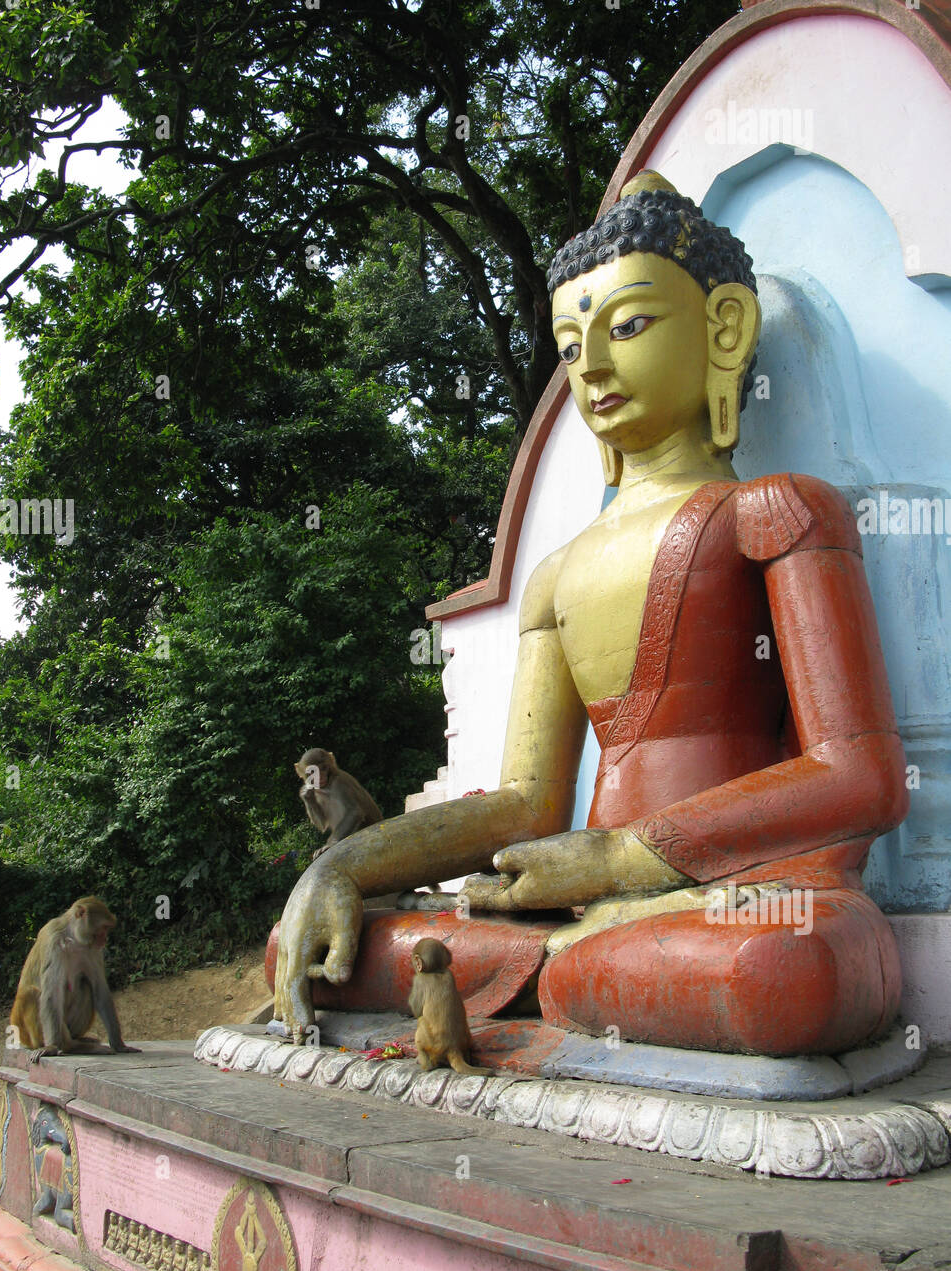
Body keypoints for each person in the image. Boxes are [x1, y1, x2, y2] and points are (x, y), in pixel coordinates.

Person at [274, 172, 906, 1058]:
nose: (593, 368)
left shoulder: (781, 510)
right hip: (580, 911)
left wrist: (618, 860)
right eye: (572, 346)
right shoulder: (557, 573)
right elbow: (529, 804)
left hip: (740, 895)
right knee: (324, 945)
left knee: (780, 974)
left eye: (630, 325)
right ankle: (572, 976)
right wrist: (340, 866)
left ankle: (560, 982)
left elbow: (860, 778)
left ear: (724, 329)